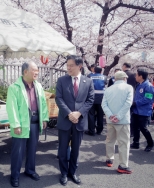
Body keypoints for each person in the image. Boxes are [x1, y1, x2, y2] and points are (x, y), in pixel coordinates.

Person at [6, 62, 49, 187]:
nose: (37, 72)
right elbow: (11, 107)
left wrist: (44, 118)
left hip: (35, 122)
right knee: (18, 152)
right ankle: (15, 175)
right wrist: (15, 124)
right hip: (21, 124)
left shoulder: (38, 86)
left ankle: (30, 170)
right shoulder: (14, 87)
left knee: (32, 149)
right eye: (34, 70)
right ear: (25, 72)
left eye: (37, 70)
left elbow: (43, 103)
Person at [55, 55, 94, 186]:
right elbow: (58, 99)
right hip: (65, 120)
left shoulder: (88, 81)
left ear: (79, 66)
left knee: (76, 150)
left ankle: (73, 172)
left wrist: (79, 113)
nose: (68, 67)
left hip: (80, 121)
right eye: (67, 65)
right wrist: (69, 114)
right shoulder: (62, 80)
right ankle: (64, 173)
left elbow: (90, 100)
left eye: (71, 65)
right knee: (62, 150)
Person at [101, 71, 133, 174]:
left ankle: (109, 159)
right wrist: (118, 116)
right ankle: (123, 165)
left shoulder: (108, 89)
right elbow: (128, 103)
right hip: (123, 120)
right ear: (125, 78)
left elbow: (104, 104)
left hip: (110, 120)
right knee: (123, 143)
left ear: (115, 79)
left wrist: (110, 115)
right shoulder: (129, 88)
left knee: (110, 140)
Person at [130, 69, 154, 152]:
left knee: (143, 128)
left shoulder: (148, 86)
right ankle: (136, 143)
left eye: (136, 75)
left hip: (144, 111)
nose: (135, 77)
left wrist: (135, 103)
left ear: (141, 76)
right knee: (135, 127)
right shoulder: (139, 85)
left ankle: (150, 143)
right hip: (136, 111)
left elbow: (148, 99)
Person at [85, 66, 107, 136]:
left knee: (91, 115)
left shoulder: (89, 76)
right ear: (101, 71)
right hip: (101, 98)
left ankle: (91, 131)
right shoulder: (105, 77)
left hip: (91, 98)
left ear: (94, 70)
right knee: (100, 115)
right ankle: (99, 130)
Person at [122, 62, 136, 137]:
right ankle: (132, 131)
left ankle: (124, 130)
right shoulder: (134, 74)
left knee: (124, 114)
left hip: (123, 96)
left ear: (124, 66)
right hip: (133, 96)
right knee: (131, 114)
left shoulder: (122, 74)